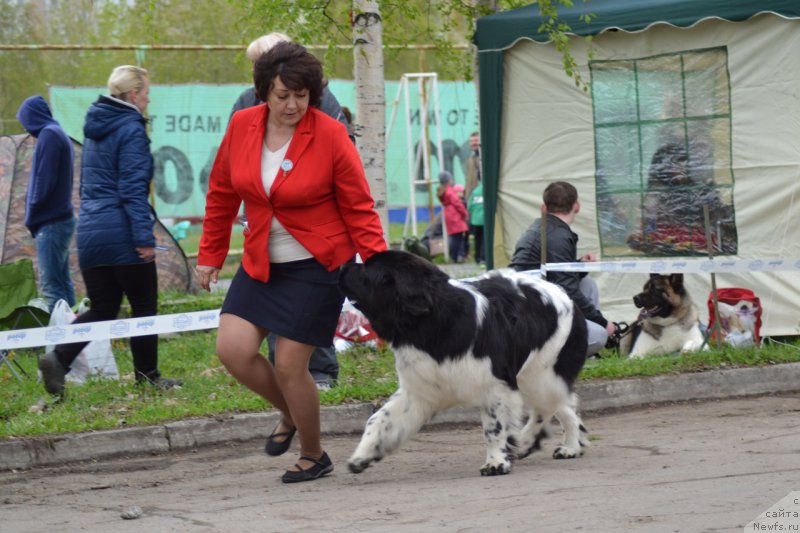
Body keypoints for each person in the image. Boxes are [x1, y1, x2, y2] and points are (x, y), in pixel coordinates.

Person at [196, 42, 386, 484]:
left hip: (317, 266)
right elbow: (222, 193)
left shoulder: (330, 133)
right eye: (282, 95)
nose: (293, 105)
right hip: (263, 261)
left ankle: (314, 454)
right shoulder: (242, 125)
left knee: (288, 364)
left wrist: (378, 264)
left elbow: (358, 205)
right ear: (264, 91)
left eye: (301, 95)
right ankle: (291, 412)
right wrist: (210, 256)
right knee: (233, 350)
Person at [38, 66, 181, 396]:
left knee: (103, 307)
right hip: (123, 235)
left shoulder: (93, 127)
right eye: (146, 93)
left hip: (91, 234)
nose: (148, 99)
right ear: (134, 95)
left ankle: (59, 358)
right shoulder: (131, 128)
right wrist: (143, 238)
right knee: (144, 308)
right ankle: (148, 377)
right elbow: (132, 189)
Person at [232, 32, 348, 389]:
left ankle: (320, 372)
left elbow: (342, 157)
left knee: (309, 311)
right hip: (265, 228)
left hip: (314, 228)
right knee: (270, 308)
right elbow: (235, 159)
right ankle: (285, 378)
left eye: (261, 62)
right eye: (255, 66)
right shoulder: (245, 102)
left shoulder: (321, 99)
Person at [509, 181, 616, 356]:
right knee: (599, 335)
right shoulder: (558, 235)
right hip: (531, 317)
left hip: (533, 303)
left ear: (543, 208)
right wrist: (604, 323)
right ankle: (552, 358)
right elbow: (567, 290)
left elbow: (554, 275)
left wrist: (579, 265)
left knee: (588, 284)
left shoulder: (544, 226)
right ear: (577, 206)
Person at [16, 96, 76, 312]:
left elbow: (44, 181)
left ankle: (59, 333)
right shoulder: (57, 132)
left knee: (51, 287)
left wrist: (32, 210)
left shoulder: (49, 135)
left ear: (33, 117)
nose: (25, 128)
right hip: (60, 219)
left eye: (25, 121)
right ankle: (75, 329)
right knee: (63, 282)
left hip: (50, 222)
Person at [231, 32, 352, 140]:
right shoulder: (246, 100)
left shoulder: (321, 96)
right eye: (253, 63)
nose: (292, 106)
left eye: (300, 95)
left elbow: (344, 141)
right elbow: (231, 146)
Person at [437, 171, 468, 263]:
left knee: (454, 236)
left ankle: (455, 256)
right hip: (455, 215)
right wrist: (465, 213)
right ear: (448, 180)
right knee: (458, 237)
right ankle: (456, 256)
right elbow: (457, 203)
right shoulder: (450, 191)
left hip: (449, 214)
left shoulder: (442, 190)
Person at [467, 181, 485, 264]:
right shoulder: (487, 190)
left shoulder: (475, 191)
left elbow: (469, 206)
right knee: (484, 240)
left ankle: (477, 257)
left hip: (475, 220)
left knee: (477, 239)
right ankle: (483, 258)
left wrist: (475, 214)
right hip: (485, 220)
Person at [464, 131, 481, 201]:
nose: (473, 143)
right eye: (471, 141)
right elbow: (468, 180)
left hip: (480, 195)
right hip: (471, 196)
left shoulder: (485, 159)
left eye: (476, 140)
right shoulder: (470, 159)